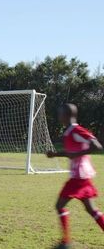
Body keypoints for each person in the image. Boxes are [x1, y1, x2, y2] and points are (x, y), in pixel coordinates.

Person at [47, 104, 104, 249]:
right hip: (81, 177)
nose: (58, 117)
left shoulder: (76, 130)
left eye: (60, 114)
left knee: (59, 205)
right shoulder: (70, 132)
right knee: (91, 210)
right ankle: (65, 242)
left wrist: (77, 154)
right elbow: (71, 152)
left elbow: (97, 146)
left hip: (79, 177)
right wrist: (55, 155)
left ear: (66, 115)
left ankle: (65, 242)